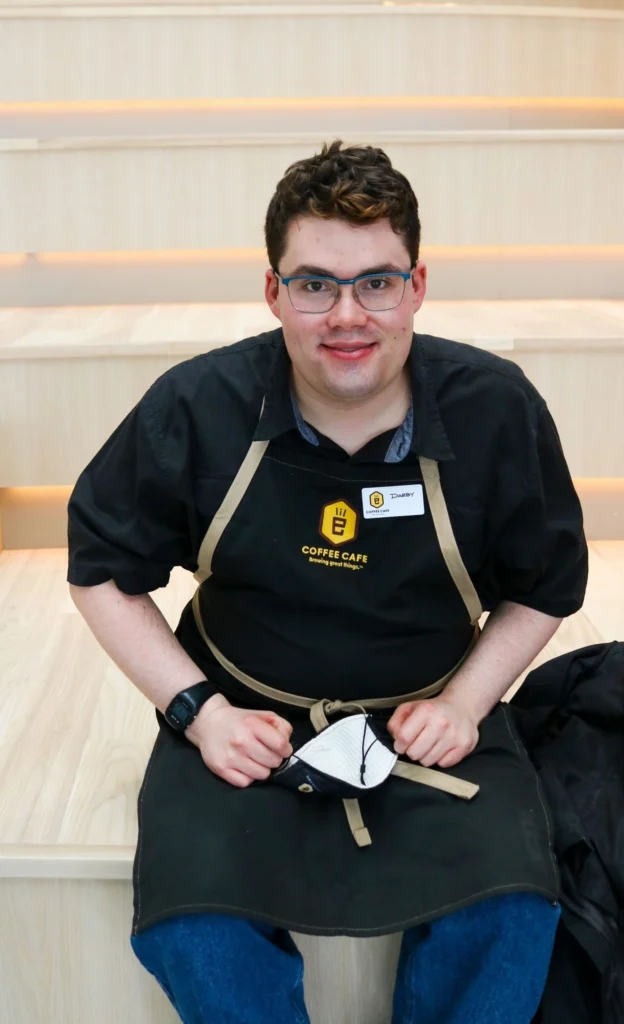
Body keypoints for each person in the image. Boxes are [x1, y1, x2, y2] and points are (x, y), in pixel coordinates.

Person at [67, 140, 588, 1024]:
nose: (347, 315)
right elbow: (99, 574)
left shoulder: (496, 405)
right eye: (314, 284)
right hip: (241, 716)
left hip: (432, 715)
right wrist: (200, 713)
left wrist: (464, 704)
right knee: (194, 930)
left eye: (376, 282)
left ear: (416, 285)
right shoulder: (197, 406)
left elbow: (544, 584)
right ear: (273, 292)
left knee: (510, 909)